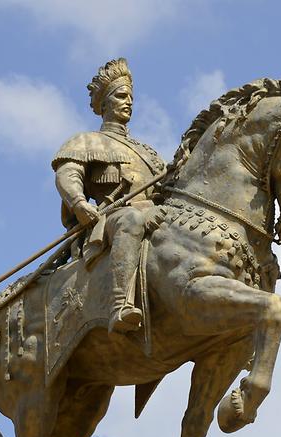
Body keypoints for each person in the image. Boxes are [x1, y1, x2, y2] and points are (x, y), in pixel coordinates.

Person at [52, 58, 165, 334]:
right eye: (121, 96)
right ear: (104, 104)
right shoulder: (86, 142)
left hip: (155, 213)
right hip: (111, 220)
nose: (129, 102)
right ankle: (120, 305)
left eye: (131, 98)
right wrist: (79, 205)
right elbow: (67, 175)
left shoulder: (149, 153)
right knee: (131, 220)